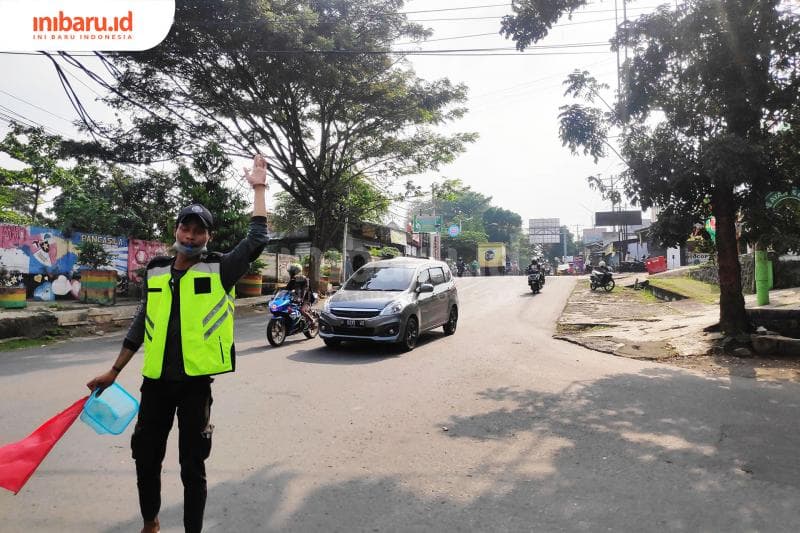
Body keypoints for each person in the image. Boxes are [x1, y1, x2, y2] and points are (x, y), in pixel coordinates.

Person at [86, 154, 270, 533]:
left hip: (194, 386)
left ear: (208, 237)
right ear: (175, 231)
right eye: (186, 229)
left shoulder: (220, 269)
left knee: (192, 466)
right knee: (146, 457)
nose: (190, 236)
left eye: (198, 231)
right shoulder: (154, 270)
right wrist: (114, 369)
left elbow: (256, 239)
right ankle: (150, 523)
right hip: (154, 383)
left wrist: (258, 188)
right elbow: (142, 321)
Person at [284, 263, 314, 327]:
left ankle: (312, 321)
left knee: (302, 310)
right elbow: (286, 289)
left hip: (306, 298)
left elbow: (305, 289)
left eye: (291, 272)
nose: (290, 273)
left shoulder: (305, 279)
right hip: (297, 298)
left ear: (295, 272)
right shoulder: (293, 280)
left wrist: (301, 298)